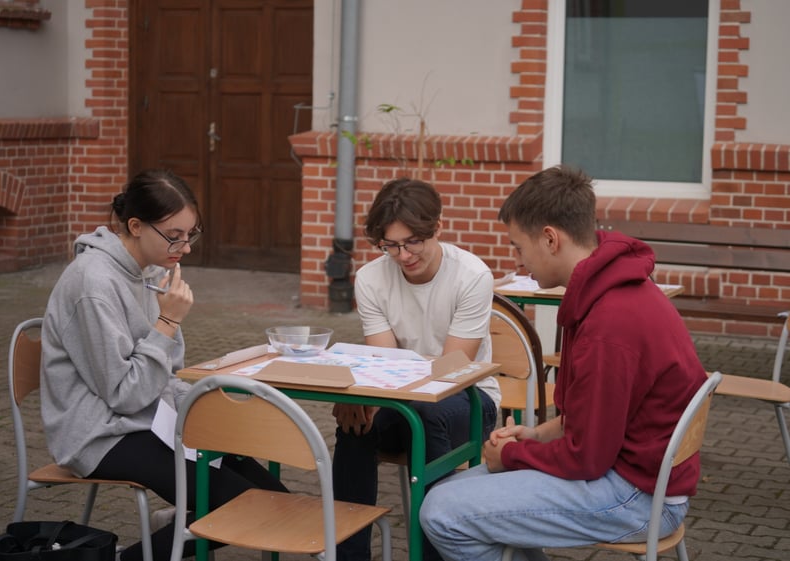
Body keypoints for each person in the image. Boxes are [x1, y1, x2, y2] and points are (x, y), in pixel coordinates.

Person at [419, 165, 707, 561]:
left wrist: (513, 457)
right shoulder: (608, 289)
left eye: (518, 247)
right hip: (637, 474)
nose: (518, 261)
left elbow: (587, 457)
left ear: (551, 239)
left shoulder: (609, 323)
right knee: (450, 494)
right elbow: (585, 424)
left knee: (442, 512)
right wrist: (534, 437)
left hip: (638, 497)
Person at [39, 169, 287, 561]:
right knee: (243, 508)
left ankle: (177, 523)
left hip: (150, 419)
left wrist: (207, 407)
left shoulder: (150, 272)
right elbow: (123, 394)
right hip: (98, 434)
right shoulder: (92, 284)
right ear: (135, 226)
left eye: (191, 234)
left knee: (276, 502)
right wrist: (167, 322)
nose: (185, 247)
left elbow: (168, 371)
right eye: (174, 235)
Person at [332, 177, 501, 561]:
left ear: (437, 227)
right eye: (390, 245)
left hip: (471, 400)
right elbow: (383, 361)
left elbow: (452, 369)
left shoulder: (472, 275)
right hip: (404, 397)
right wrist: (362, 399)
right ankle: (348, 552)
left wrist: (385, 391)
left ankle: (433, 551)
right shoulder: (372, 278)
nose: (403, 255)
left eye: (412, 242)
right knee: (353, 421)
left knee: (426, 414)